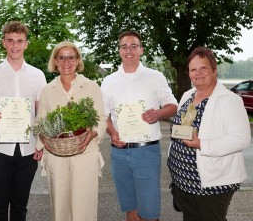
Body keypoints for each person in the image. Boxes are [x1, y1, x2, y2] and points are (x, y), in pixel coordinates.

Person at [101, 30, 178, 221]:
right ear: (119, 50)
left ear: (141, 50)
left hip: (146, 152)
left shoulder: (155, 76)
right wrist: (112, 133)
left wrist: (159, 113)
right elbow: (103, 115)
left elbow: (173, 106)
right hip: (119, 153)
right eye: (124, 46)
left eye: (134, 46)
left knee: (150, 212)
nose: (129, 50)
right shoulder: (108, 81)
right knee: (131, 208)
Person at [167, 46, 251, 221]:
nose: (198, 73)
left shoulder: (229, 100)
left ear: (214, 69)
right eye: (193, 69)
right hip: (183, 180)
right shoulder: (188, 95)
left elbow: (241, 139)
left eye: (203, 68)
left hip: (211, 183)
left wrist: (201, 144)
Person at [0, 21, 47, 221]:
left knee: (20, 206)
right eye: (10, 40)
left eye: (19, 41)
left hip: (27, 150)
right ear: (4, 43)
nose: (15, 45)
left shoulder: (38, 75)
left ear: (26, 44)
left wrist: (41, 142)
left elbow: (41, 113)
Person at [35, 41, 107, 221]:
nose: (66, 62)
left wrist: (93, 132)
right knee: (60, 207)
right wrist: (41, 141)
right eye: (61, 57)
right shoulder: (47, 90)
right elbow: (40, 122)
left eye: (71, 57)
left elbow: (101, 118)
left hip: (85, 153)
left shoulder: (91, 87)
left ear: (78, 61)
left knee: (83, 206)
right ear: (55, 61)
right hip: (56, 155)